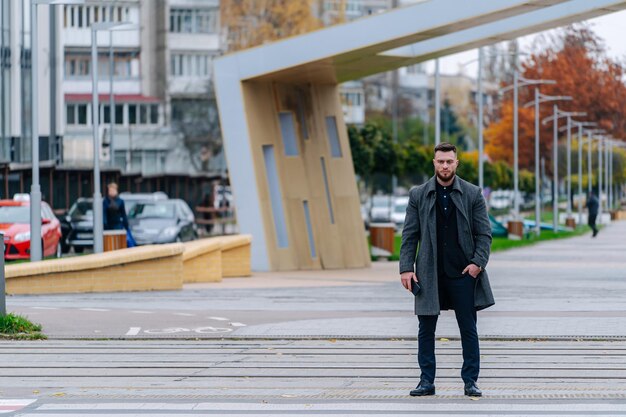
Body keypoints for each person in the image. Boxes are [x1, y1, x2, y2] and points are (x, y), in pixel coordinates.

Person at [399, 142, 494, 398]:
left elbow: (484, 234)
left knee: (468, 328)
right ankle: (426, 381)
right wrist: (406, 268)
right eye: (440, 161)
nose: (444, 166)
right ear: (434, 163)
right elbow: (409, 235)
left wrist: (477, 264)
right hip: (429, 273)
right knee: (426, 329)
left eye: (449, 161)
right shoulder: (418, 194)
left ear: (456, 163)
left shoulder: (472, 194)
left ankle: (470, 381)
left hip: (463, 273)